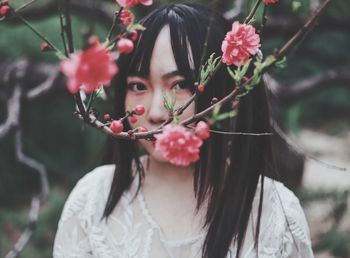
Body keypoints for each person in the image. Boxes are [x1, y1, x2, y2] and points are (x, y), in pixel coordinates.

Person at [53, 3, 314, 258]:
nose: (156, 112)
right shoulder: (92, 199)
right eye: (138, 86)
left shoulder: (277, 212)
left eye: (179, 85)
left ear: (229, 93)